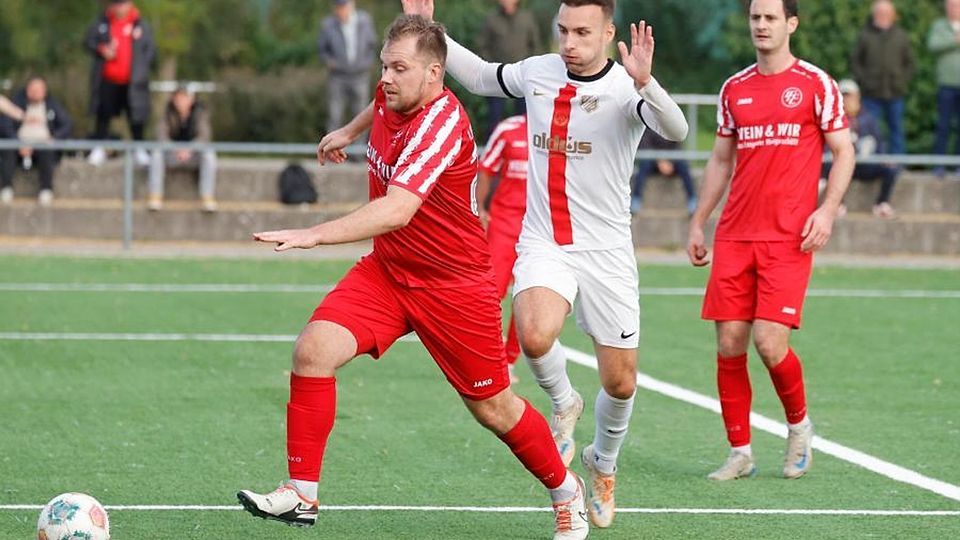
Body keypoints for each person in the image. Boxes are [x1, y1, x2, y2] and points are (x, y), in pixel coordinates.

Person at [237, 15, 589, 540]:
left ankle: (566, 491)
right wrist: (350, 132)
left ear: (434, 74)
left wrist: (316, 234)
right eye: (384, 66)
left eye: (399, 69)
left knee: (494, 409)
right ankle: (301, 493)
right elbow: (378, 106)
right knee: (313, 350)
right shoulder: (394, 93)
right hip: (389, 272)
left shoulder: (442, 124)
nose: (386, 79)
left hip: (454, 286)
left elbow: (397, 209)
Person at [402, 0, 689, 529]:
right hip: (544, 240)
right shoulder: (539, 71)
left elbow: (677, 131)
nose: (569, 42)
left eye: (582, 32)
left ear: (607, 32)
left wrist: (648, 83)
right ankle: (564, 401)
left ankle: (602, 464)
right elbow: (483, 77)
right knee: (532, 335)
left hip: (606, 251)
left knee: (622, 383)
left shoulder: (627, 86)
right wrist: (431, 28)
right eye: (563, 30)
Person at [686, 0, 855, 482]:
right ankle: (740, 452)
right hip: (736, 233)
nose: (761, 25)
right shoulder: (734, 88)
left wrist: (826, 209)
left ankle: (799, 428)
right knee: (730, 343)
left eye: (771, 18)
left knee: (769, 341)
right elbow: (720, 160)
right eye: (755, 18)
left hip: (788, 237)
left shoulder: (815, 84)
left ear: (791, 24)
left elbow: (844, 152)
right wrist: (700, 220)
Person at [476, 114, 529, 382]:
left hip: (540, 229)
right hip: (505, 223)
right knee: (491, 292)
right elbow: (485, 168)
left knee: (528, 296)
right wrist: (480, 209)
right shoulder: (509, 129)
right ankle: (491, 355)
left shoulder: (568, 133)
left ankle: (509, 360)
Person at [84, 0, 155, 167]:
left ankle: (140, 149)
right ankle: (99, 148)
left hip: (133, 82)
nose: (119, 7)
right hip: (108, 80)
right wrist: (103, 49)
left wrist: (141, 69)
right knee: (103, 115)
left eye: (122, 3)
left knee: (136, 117)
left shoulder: (141, 24)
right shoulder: (102, 23)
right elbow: (88, 42)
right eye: (116, 3)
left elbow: (150, 50)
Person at [824, 79, 899, 219]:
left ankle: (882, 203)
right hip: (842, 165)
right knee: (828, 168)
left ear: (857, 97)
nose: (847, 100)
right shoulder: (832, 119)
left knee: (891, 169)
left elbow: (879, 142)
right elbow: (827, 147)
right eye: (843, 96)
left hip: (865, 164)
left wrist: (883, 157)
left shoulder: (868, 118)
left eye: (849, 96)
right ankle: (838, 204)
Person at [851, 0, 915, 159]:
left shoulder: (901, 36)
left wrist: (901, 80)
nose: (883, 16)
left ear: (892, 15)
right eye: (880, 12)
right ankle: (872, 163)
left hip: (895, 92)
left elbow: (910, 63)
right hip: (871, 93)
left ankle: (898, 164)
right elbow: (856, 61)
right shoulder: (865, 35)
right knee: (870, 131)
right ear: (874, 14)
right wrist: (865, 81)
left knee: (896, 130)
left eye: (886, 13)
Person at [0, 77, 73, 207]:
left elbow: (66, 124)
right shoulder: (18, 101)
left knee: (47, 151)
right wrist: (19, 143)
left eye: (38, 89)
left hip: (42, 146)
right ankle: (6, 189)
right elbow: (6, 123)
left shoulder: (52, 105)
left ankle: (46, 190)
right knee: (8, 149)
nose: (34, 92)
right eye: (32, 89)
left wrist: (53, 137)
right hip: (19, 146)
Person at [477, 0, 541, 138]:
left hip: (522, 75)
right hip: (498, 75)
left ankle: (523, 148)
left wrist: (531, 69)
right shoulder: (492, 19)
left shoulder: (526, 18)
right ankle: (492, 148)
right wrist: (491, 66)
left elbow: (535, 45)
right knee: (494, 115)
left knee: (524, 116)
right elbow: (482, 45)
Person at [148, 86, 218, 212]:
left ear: (192, 99)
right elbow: (161, 136)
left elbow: (204, 136)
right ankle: (155, 196)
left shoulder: (200, 113)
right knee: (156, 154)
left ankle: (207, 197)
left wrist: (189, 149)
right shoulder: (167, 113)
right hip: (172, 155)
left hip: (193, 155)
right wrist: (176, 149)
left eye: (185, 97)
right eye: (178, 97)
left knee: (209, 155)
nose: (181, 101)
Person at [317, 0, 378, 137]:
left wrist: (366, 63)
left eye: (343, 7)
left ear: (351, 5)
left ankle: (359, 153)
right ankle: (331, 150)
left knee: (362, 116)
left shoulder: (364, 21)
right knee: (335, 115)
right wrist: (330, 63)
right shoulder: (328, 25)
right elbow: (322, 50)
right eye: (338, 7)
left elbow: (372, 45)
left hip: (360, 76)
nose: (341, 10)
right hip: (337, 77)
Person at [630, 129, 697, 216]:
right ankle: (636, 200)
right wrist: (659, 161)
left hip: (670, 162)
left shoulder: (671, 125)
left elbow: (678, 147)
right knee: (644, 165)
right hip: (652, 162)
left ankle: (692, 200)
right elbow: (645, 146)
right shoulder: (648, 126)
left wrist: (670, 162)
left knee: (683, 165)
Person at [928, 0, 960, 178]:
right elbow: (933, 45)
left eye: (957, 5)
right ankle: (939, 165)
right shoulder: (939, 26)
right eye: (951, 5)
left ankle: (958, 166)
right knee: (943, 126)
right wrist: (955, 41)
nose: (954, 9)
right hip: (946, 85)